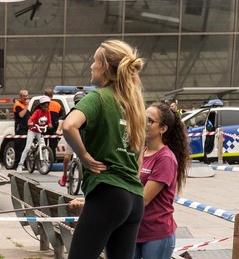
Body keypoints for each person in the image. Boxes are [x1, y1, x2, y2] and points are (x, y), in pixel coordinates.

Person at [62, 39, 147, 259]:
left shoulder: (98, 98)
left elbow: (69, 125)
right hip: (134, 200)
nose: (91, 66)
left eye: (94, 61)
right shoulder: (135, 106)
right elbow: (138, 160)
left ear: (106, 67)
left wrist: (84, 156)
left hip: (107, 192)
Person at [134, 103, 190, 259]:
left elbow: (143, 198)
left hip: (156, 234)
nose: (143, 123)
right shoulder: (141, 152)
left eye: (149, 120)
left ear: (163, 129)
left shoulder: (165, 158)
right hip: (135, 229)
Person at [16, 95, 52, 172]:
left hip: (40, 131)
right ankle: (20, 164)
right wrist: (30, 123)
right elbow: (30, 119)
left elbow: (49, 122)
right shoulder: (37, 112)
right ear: (41, 106)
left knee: (44, 147)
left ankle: (45, 164)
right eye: (45, 107)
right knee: (28, 147)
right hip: (32, 130)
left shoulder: (48, 112)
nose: (46, 109)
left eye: (47, 107)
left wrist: (49, 125)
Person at [58, 90, 86, 187]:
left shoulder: (88, 111)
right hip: (72, 137)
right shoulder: (73, 111)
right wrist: (58, 130)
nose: (79, 104)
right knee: (66, 157)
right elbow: (63, 122)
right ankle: (64, 176)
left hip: (83, 137)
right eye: (77, 102)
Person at [44, 87, 66, 161]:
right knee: (52, 145)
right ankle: (53, 160)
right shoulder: (57, 104)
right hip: (54, 127)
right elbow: (61, 114)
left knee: (43, 144)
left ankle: (43, 159)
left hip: (44, 126)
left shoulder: (42, 104)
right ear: (52, 96)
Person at [13, 89, 30, 168]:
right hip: (20, 127)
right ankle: (18, 163)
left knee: (26, 146)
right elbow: (21, 115)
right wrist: (26, 106)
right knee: (20, 146)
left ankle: (25, 163)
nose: (26, 98)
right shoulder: (18, 104)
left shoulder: (26, 105)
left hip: (27, 127)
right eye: (24, 96)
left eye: (27, 96)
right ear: (20, 97)